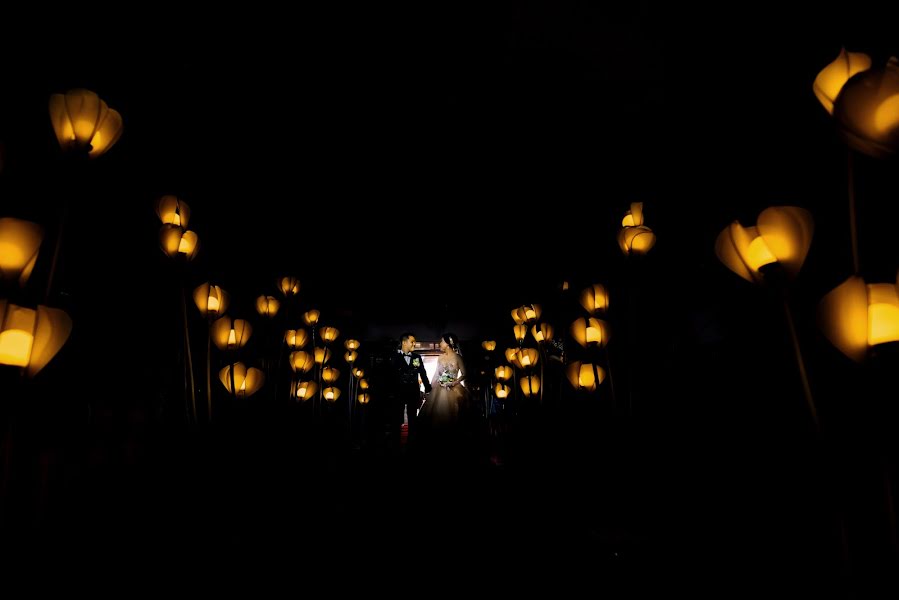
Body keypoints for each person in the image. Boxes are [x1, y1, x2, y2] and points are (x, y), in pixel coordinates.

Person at [417, 333, 469, 448]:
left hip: (454, 387)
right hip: (440, 388)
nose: (440, 343)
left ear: (448, 343)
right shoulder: (440, 358)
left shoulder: (457, 357)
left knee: (454, 415)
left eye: (442, 341)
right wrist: (429, 389)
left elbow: (465, 374)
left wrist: (454, 382)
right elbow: (437, 375)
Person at [391, 332, 431, 443]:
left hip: (413, 392)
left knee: (413, 418)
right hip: (398, 392)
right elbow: (389, 375)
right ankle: (396, 442)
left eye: (415, 341)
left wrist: (428, 388)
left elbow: (423, 373)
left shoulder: (416, 357)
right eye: (412, 341)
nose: (415, 343)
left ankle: (412, 443)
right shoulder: (393, 357)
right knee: (397, 417)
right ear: (404, 342)